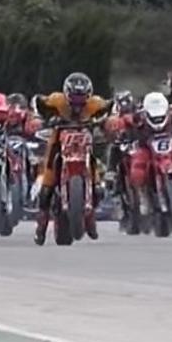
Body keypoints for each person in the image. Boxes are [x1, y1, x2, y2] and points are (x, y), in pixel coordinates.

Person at [31, 72, 111, 245]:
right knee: (46, 187)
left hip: (84, 140)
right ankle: (41, 227)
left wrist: (107, 121)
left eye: (81, 99)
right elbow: (38, 102)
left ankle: (91, 219)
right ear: (67, 95)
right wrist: (43, 118)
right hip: (60, 138)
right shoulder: (56, 100)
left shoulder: (95, 103)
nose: (77, 105)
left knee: (98, 186)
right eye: (73, 99)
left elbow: (110, 107)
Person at [111, 91, 172, 231]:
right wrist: (120, 128)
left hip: (169, 145)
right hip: (147, 146)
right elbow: (124, 121)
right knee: (137, 169)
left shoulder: (171, 111)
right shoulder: (139, 116)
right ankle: (142, 196)